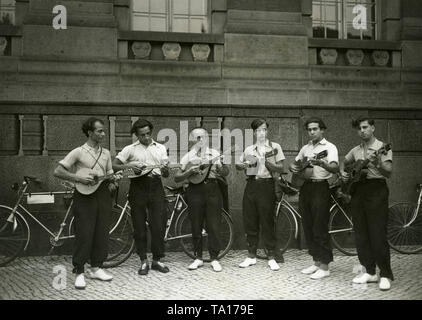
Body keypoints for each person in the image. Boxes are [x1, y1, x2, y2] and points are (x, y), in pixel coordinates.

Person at [54, 117, 121, 289]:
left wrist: (114, 180)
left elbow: (109, 174)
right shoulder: (78, 151)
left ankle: (96, 267)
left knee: (102, 231)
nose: (103, 134)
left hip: (102, 194)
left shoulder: (106, 153)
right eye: (99, 131)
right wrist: (78, 177)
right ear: (90, 132)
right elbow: (58, 171)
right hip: (83, 195)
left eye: (103, 131)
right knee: (84, 233)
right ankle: (79, 271)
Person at [112, 119, 170, 275]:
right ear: (136, 135)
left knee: (158, 225)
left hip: (156, 186)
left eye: (148, 134)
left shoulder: (160, 148)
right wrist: (130, 166)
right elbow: (114, 165)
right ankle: (143, 260)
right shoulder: (130, 149)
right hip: (138, 187)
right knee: (139, 226)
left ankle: (157, 260)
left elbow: (166, 173)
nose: (146, 137)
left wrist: (165, 170)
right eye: (142, 135)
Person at [343, 116, 394, 291]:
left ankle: (386, 274)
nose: (362, 131)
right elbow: (345, 163)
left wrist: (377, 162)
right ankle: (370, 271)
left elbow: (388, 172)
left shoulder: (381, 147)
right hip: (358, 190)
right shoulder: (355, 150)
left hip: (376, 190)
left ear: (373, 128)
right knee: (361, 233)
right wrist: (346, 174)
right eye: (359, 129)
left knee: (377, 233)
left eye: (365, 127)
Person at [174, 127, 230, 272]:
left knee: (214, 224)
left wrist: (220, 167)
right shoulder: (188, 156)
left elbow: (226, 172)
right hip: (194, 191)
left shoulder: (215, 154)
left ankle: (214, 258)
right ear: (192, 140)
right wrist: (189, 171)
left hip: (212, 189)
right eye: (196, 138)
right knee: (196, 224)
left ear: (207, 138)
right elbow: (177, 177)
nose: (200, 140)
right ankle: (198, 257)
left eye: (203, 137)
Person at [290, 117, 339, 280]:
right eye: (309, 129)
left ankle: (325, 266)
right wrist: (294, 167)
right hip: (306, 187)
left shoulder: (330, 147)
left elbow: (335, 167)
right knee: (309, 226)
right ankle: (316, 261)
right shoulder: (305, 148)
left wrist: (321, 163)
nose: (312, 132)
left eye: (315, 129)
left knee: (320, 226)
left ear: (322, 130)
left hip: (320, 187)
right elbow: (296, 164)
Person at [236, 118, 285, 271]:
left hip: (267, 185)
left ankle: (271, 256)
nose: (261, 133)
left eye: (264, 129)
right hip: (251, 184)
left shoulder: (274, 147)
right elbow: (239, 164)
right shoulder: (249, 149)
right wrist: (242, 165)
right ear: (254, 132)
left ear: (267, 131)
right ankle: (251, 256)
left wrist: (266, 162)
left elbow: (281, 167)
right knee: (250, 220)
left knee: (267, 221)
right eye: (258, 130)